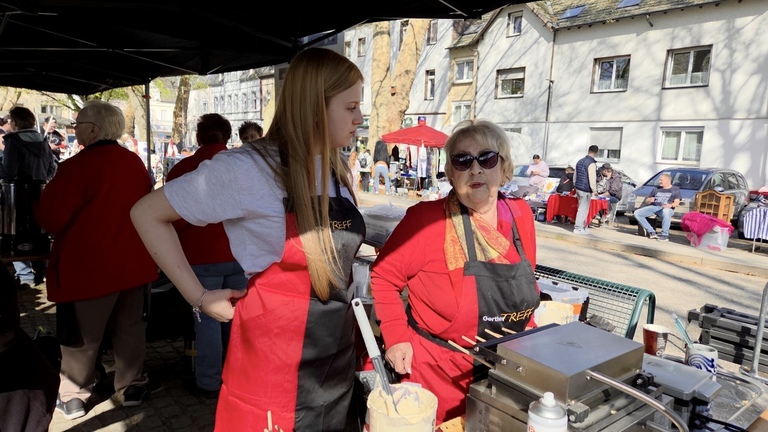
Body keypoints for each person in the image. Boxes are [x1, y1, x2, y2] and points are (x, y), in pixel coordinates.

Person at [130, 47, 365, 431]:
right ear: (314, 106)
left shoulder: (336, 167)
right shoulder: (246, 168)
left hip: (333, 353)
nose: (359, 118)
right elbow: (146, 213)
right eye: (350, 106)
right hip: (274, 359)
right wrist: (199, 297)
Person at [370, 119, 540, 424]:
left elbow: (527, 276)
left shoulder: (520, 215)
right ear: (450, 173)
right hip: (438, 373)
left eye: (486, 158)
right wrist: (395, 337)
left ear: (504, 168)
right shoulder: (425, 220)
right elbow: (383, 277)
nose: (475, 170)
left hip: (504, 370)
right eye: (462, 161)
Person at [34, 100, 159, 419]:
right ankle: (130, 386)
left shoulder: (77, 166)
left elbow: (51, 217)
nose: (74, 131)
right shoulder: (133, 162)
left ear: (93, 129)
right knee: (130, 330)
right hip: (133, 265)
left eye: (77, 125)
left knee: (82, 339)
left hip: (89, 268)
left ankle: (73, 396)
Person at [165, 113, 248, 398]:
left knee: (208, 320)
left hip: (200, 256)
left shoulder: (184, 168)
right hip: (239, 253)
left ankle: (209, 381)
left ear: (199, 137)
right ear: (228, 136)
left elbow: (171, 218)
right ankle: (237, 377)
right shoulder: (243, 166)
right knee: (237, 318)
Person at [0, 107, 57, 288]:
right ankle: (40, 272)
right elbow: (52, 168)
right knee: (38, 232)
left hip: (15, 196)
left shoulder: (13, 141)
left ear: (15, 122)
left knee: (15, 234)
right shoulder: (43, 140)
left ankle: (25, 276)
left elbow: (9, 170)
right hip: (40, 192)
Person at [634, 172, 681, 241]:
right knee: (637, 213)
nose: (659, 182)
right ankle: (651, 232)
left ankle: (665, 235)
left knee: (666, 212)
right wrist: (650, 200)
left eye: (661, 180)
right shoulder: (656, 189)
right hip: (654, 207)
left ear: (668, 181)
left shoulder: (675, 189)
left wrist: (670, 205)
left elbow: (677, 202)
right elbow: (647, 201)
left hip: (667, 208)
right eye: (660, 180)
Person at [572, 145, 599, 235]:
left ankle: (583, 227)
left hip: (578, 188)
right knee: (583, 209)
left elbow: (575, 175)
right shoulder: (591, 163)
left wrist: (575, 185)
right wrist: (594, 190)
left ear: (588, 150)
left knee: (582, 208)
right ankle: (578, 228)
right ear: (596, 152)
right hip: (586, 189)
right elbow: (592, 178)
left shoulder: (579, 161)